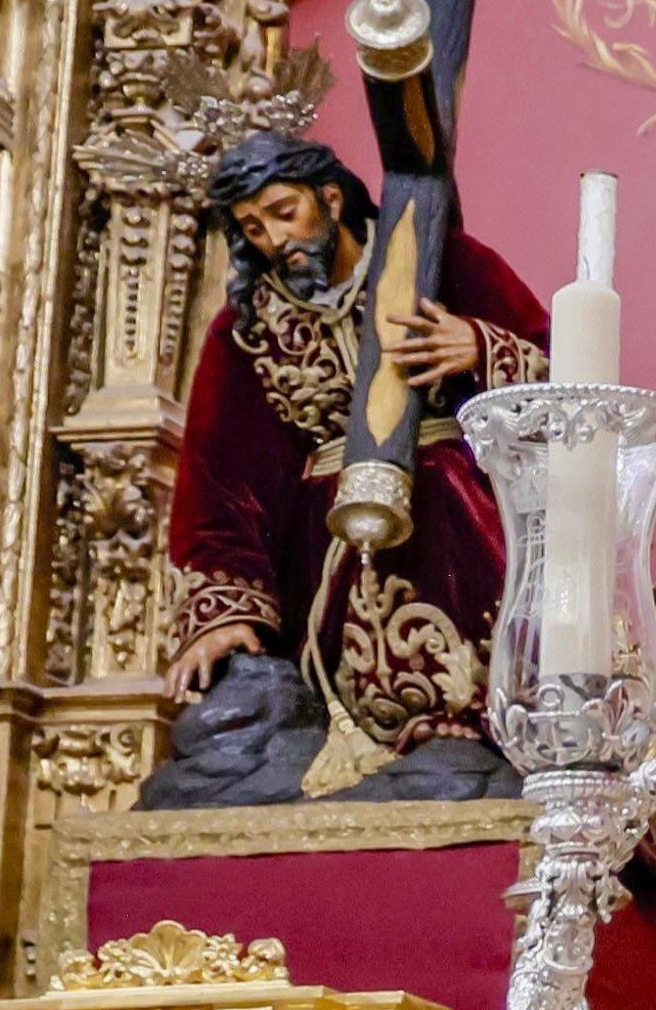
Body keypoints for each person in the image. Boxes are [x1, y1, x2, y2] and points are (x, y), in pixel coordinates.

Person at [154, 132, 546, 802]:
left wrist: (478, 345)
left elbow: (559, 366)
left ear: (330, 198)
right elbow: (220, 480)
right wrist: (223, 614)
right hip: (324, 547)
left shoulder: (440, 261)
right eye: (253, 227)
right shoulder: (246, 328)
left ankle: (474, 747)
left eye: (284, 212)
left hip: (461, 521)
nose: (275, 239)